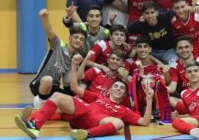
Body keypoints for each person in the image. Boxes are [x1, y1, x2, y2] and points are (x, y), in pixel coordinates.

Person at [14, 54, 154, 139]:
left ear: (124, 94)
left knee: (120, 123)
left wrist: (148, 100)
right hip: (83, 112)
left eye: (122, 88)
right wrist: (74, 65)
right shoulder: (98, 96)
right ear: (110, 90)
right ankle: (35, 126)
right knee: (57, 95)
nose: (118, 89)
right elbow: (74, 87)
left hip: (97, 122)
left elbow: (145, 122)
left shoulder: (123, 109)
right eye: (116, 86)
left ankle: (86, 134)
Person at [29, 8, 87, 109]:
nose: (78, 40)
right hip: (39, 84)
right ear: (70, 38)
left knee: (72, 101)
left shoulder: (75, 59)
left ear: (83, 43)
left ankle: (47, 107)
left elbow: (69, 81)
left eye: (81, 39)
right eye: (76, 37)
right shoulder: (58, 45)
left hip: (54, 88)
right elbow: (50, 32)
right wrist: (44, 18)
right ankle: (40, 104)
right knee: (48, 80)